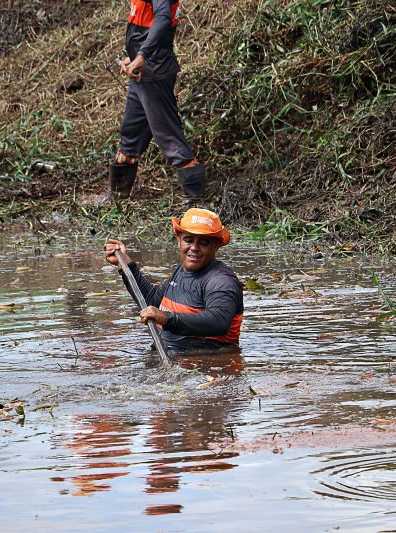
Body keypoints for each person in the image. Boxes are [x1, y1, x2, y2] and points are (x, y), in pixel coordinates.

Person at [104, 207, 243, 354]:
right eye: (188, 240)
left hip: (206, 365)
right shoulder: (180, 271)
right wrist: (127, 266)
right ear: (179, 240)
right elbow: (152, 302)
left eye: (204, 243)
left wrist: (167, 318)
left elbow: (218, 321)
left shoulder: (221, 281)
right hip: (172, 356)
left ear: (216, 246)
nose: (194, 248)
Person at [108, 0, 206, 203]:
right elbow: (145, 25)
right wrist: (131, 56)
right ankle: (118, 198)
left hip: (155, 72)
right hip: (142, 75)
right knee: (130, 136)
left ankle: (196, 203)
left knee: (170, 138)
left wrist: (142, 56)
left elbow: (163, 19)